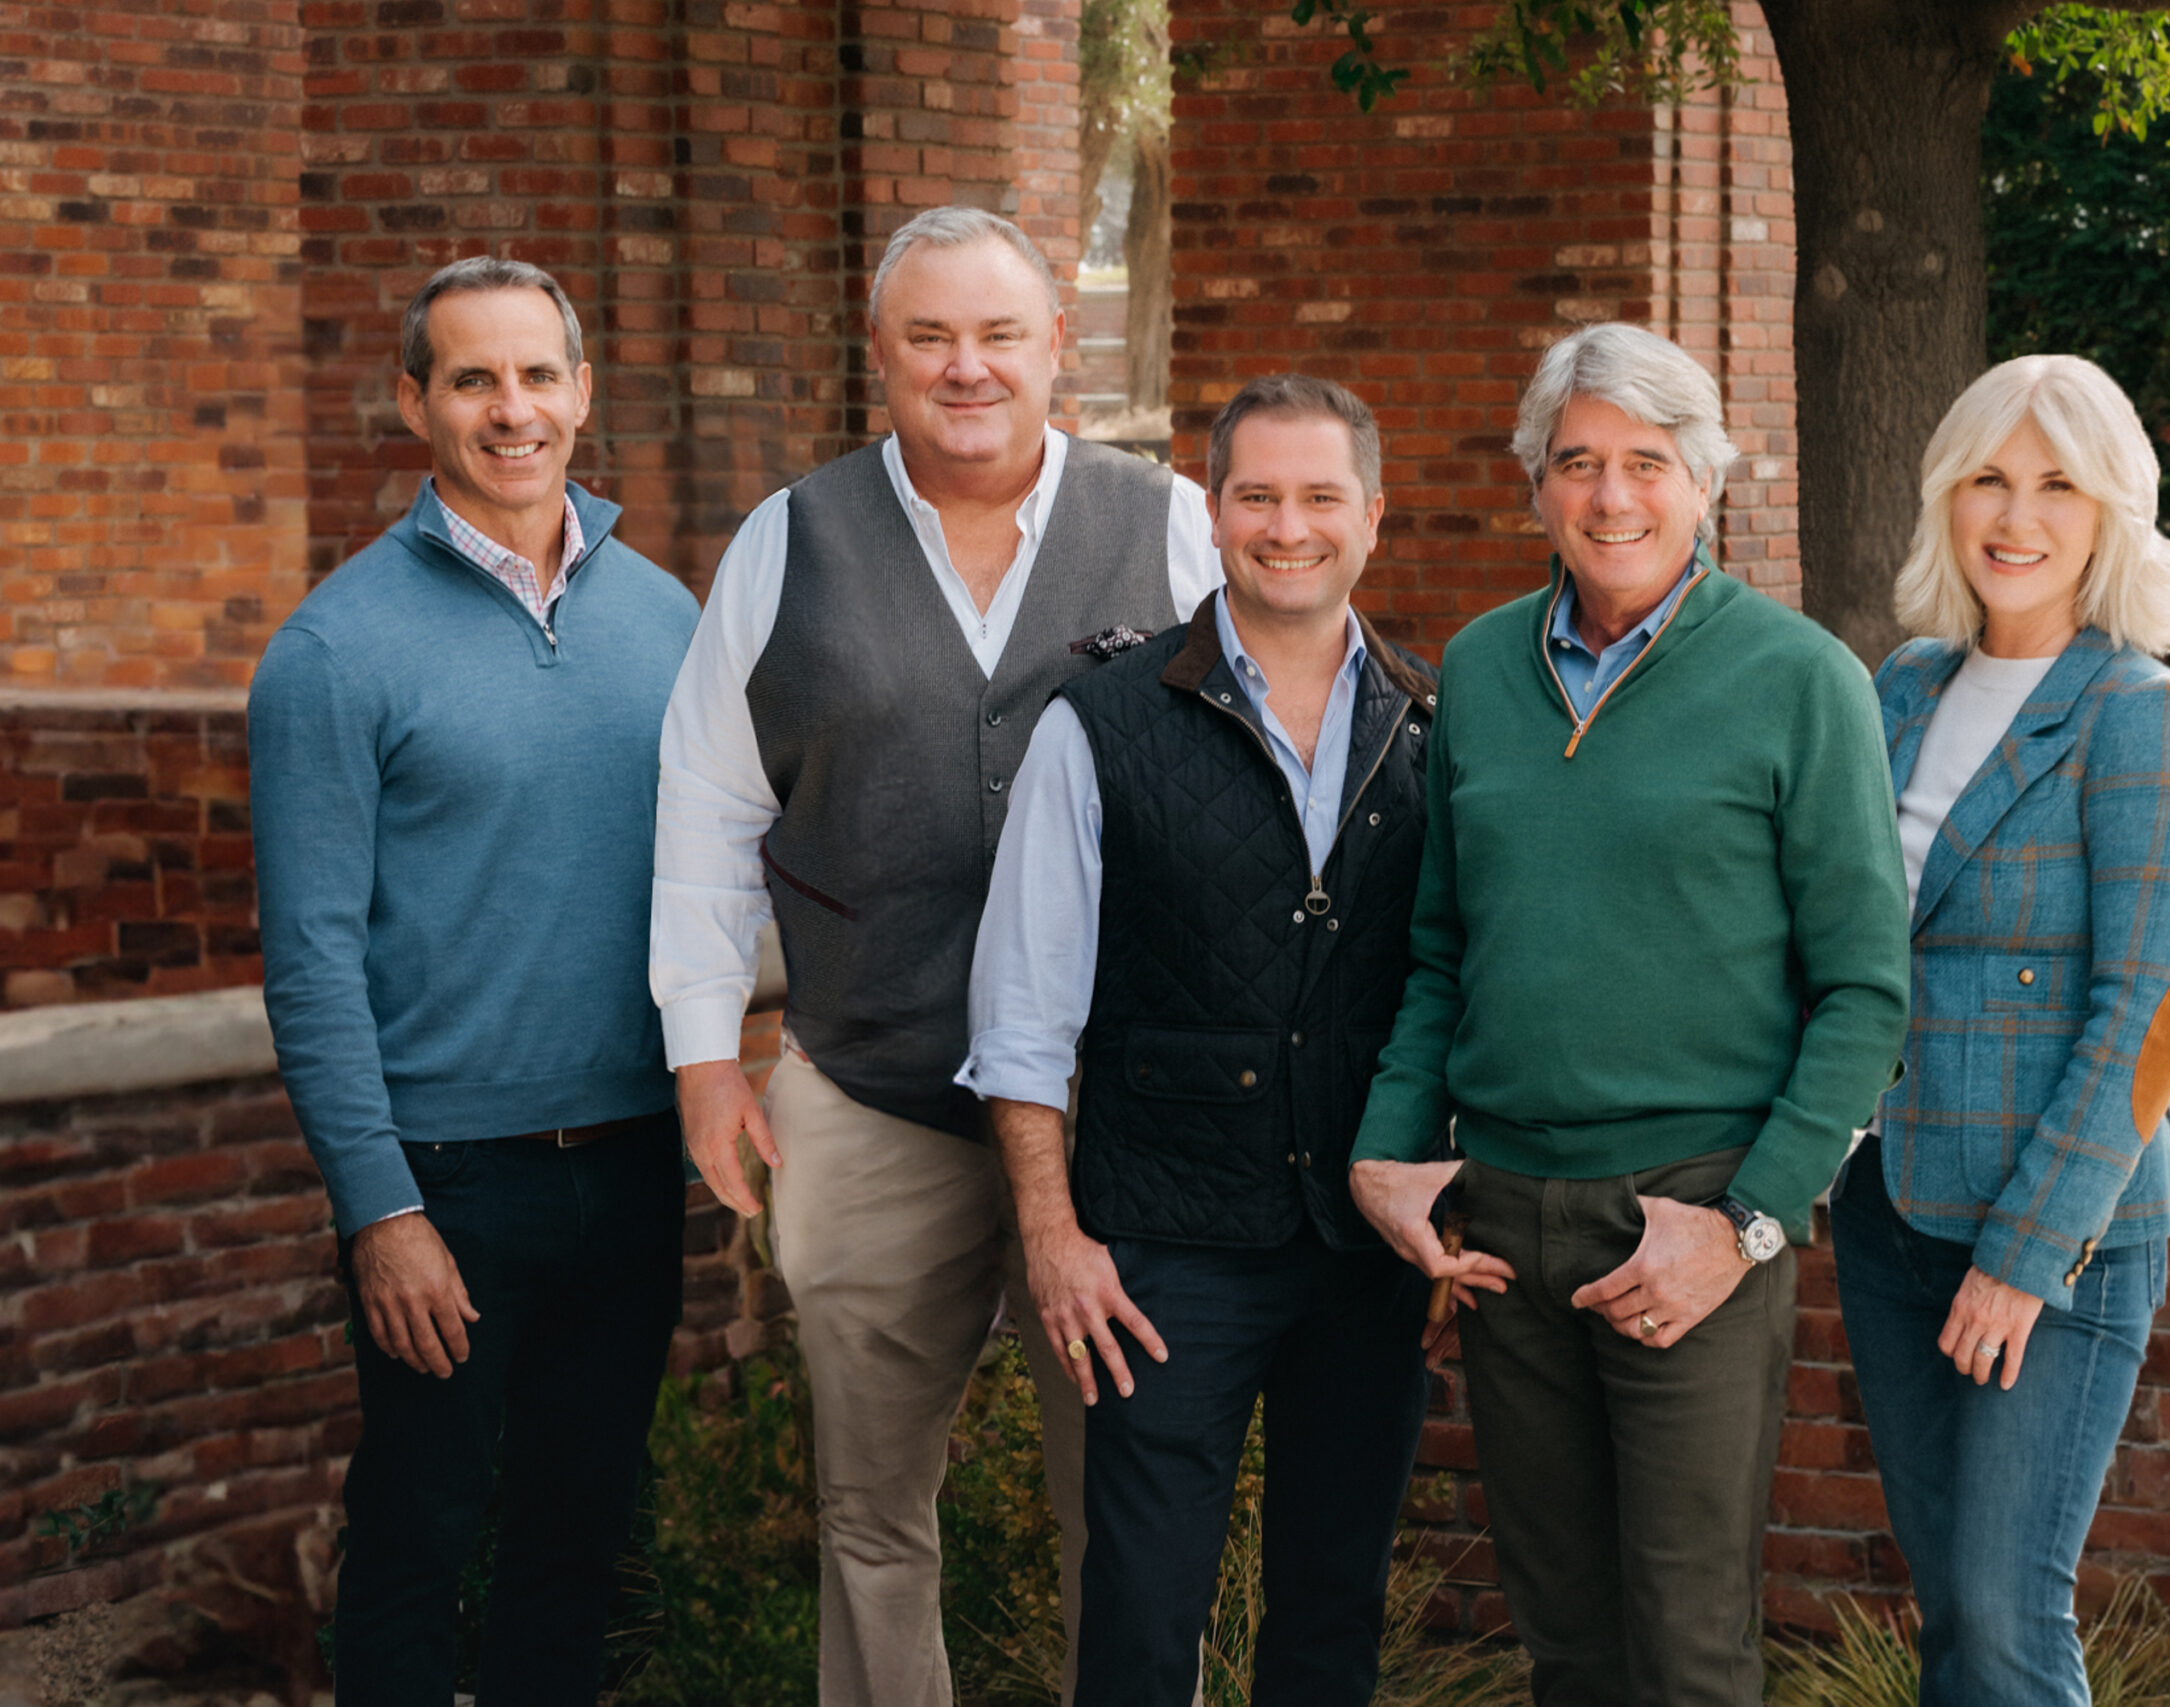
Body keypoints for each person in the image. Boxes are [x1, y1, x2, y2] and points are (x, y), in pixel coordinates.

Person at [649, 205, 1219, 1707]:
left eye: (1000, 334)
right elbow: (709, 808)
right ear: (880, 353)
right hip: (870, 1090)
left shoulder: (1168, 524)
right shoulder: (790, 539)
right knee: (871, 1512)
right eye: (931, 337)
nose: (968, 367)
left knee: (1130, 1507)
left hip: (1117, 1117)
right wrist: (705, 1058)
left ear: (1056, 347)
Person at [1346, 322, 1909, 1707]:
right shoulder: (1479, 669)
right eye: (1578, 462)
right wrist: (1388, 1151)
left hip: (1691, 1212)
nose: (1612, 497)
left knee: (1688, 1649)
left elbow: (1864, 992)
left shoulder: (1801, 681)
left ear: (1704, 480)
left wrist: (1745, 1223)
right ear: (1535, 483)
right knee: (1565, 1644)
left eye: (1648, 462)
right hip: (1504, 1220)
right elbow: (1441, 953)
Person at [250, 257, 699, 1706]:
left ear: (583, 391)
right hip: (446, 1181)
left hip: (631, 1159)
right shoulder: (332, 651)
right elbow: (310, 963)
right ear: (415, 403)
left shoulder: (668, 619)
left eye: (537, 375)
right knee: (415, 1537)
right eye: (472, 380)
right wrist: (380, 1211)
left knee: (576, 1541)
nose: (513, 410)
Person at [964, 374, 1435, 1707]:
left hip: (1366, 1252)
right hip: (1164, 1253)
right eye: (1258, 497)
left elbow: (1457, 990)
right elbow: (1020, 1015)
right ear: (1212, 512)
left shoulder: (1433, 723)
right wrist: (1053, 1237)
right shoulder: (1099, 724)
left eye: (1321, 497)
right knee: (1141, 1613)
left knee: (1333, 1613)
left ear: (1373, 516)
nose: (1289, 527)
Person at [1834, 353, 2170, 1707]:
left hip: (2058, 1240)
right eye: (1988, 479)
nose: (2016, 516)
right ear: (1946, 497)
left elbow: (2144, 1021)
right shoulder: (1901, 689)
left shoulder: (2141, 718)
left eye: (2058, 484)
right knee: (1950, 1607)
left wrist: (2023, 1259)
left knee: (2007, 1619)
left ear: (2112, 510)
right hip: (1889, 1212)